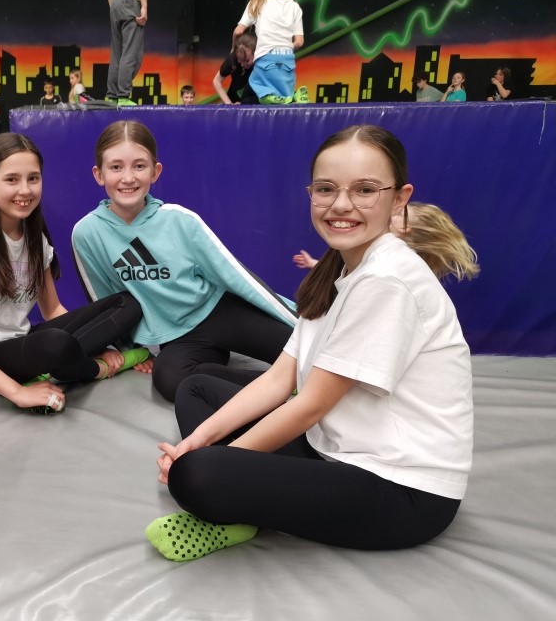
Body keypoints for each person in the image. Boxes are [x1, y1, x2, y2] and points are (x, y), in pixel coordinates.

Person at [147, 124, 473, 561]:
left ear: (399, 199)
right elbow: (279, 380)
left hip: (404, 490)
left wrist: (223, 465)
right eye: (326, 189)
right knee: (197, 389)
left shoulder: (388, 279)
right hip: (333, 449)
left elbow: (310, 404)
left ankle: (238, 507)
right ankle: (244, 496)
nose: (341, 204)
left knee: (197, 475)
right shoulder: (338, 269)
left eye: (365, 190)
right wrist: (198, 442)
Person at [72, 120, 297, 403]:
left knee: (306, 353)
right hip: (181, 339)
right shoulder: (87, 233)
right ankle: (279, 386)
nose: (128, 178)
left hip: (220, 312)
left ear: (155, 172)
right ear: (99, 174)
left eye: (139, 166)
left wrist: (296, 321)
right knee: (171, 380)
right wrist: (131, 350)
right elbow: (105, 299)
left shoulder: (180, 220)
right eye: (116, 167)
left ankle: (289, 369)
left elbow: (237, 277)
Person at [0, 132, 149, 414]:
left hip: (22, 343)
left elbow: (53, 310)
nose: (25, 190)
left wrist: (98, 344)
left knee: (127, 303)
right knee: (54, 345)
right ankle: (95, 370)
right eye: (12, 180)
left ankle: (70, 361)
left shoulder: (34, 237)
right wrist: (18, 393)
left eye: (33, 178)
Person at [293, 202, 480, 281]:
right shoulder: (380, 255)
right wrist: (313, 263)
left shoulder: (393, 264)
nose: (390, 212)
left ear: (404, 228)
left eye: (398, 213)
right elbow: (350, 273)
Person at [232, 0, 305, 105]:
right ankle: (295, 95)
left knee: (247, 97)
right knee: (283, 99)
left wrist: (233, 49)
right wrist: (283, 48)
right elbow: (299, 42)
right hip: (287, 61)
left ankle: (281, 96)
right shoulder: (294, 6)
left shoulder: (257, 3)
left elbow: (238, 31)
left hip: (266, 60)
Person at [105, 0, 147, 105]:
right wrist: (144, 6)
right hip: (130, 0)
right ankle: (123, 96)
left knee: (116, 53)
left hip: (115, 1)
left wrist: (113, 6)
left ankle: (112, 97)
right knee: (130, 51)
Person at [213, 32, 258, 105]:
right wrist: (229, 104)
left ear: (256, 54)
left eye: (247, 61)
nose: (243, 64)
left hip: (252, 104)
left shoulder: (262, 65)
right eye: (240, 60)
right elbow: (216, 81)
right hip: (233, 100)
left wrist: (243, 104)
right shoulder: (233, 60)